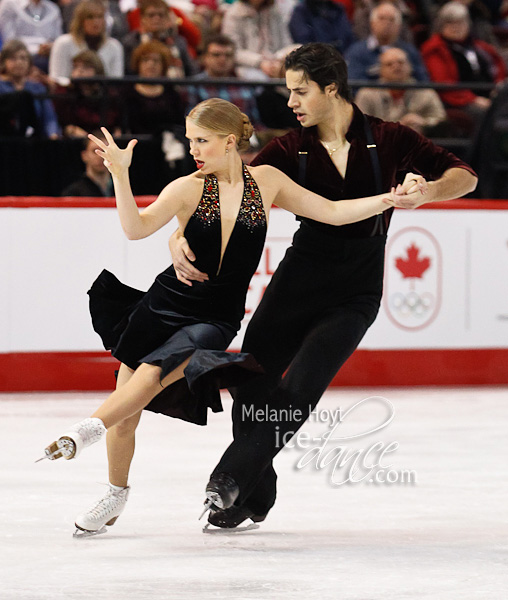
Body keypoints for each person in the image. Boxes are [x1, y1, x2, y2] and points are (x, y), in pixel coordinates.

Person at [39, 97, 399, 536]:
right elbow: (136, 229)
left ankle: (85, 431)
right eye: (191, 139)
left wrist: (388, 198)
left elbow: (334, 212)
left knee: (154, 374)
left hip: (215, 317)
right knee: (128, 411)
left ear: (229, 141)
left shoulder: (267, 182)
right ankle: (115, 494)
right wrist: (119, 174)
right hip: (163, 305)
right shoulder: (187, 187)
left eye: (201, 140)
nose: (193, 148)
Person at [167, 43, 478, 529]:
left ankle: (231, 478)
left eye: (300, 90)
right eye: (288, 91)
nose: (290, 101)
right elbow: (225, 194)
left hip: (356, 290)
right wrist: (177, 232)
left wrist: (428, 193)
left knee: (302, 384)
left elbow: (465, 176)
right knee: (250, 382)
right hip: (300, 277)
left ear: (331, 88)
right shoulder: (290, 149)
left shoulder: (389, 137)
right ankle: (257, 491)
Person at [421, 1, 506, 128]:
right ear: (441, 25)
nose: (456, 27)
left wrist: (498, 87)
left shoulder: (480, 47)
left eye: (461, 22)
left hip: (489, 97)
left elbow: (499, 68)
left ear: (468, 24)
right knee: (487, 114)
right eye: (451, 23)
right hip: (457, 101)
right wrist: (474, 99)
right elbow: (444, 84)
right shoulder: (434, 49)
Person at [355, 47, 447, 136]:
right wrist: (396, 127)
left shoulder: (426, 93)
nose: (396, 67)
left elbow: (441, 120)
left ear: (410, 66)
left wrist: (423, 123)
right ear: (380, 70)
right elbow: (359, 125)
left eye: (401, 62)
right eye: (389, 64)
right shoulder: (367, 94)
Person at [183, 34, 261, 128]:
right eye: (216, 55)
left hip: (242, 138)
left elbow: (254, 122)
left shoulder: (244, 84)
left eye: (228, 55)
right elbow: (191, 123)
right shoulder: (194, 84)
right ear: (204, 57)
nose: (222, 59)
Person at [345, 2, 428, 81]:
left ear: (399, 26)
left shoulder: (409, 51)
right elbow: (353, 84)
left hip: (406, 94)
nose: (386, 23)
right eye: (382, 18)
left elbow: (423, 81)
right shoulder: (357, 52)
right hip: (372, 94)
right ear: (372, 23)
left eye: (392, 20)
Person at [49, 0, 124, 84]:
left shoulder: (114, 46)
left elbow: (116, 81)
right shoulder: (63, 43)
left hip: (103, 95)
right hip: (71, 94)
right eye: (90, 17)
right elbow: (56, 78)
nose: (96, 22)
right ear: (80, 20)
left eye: (99, 16)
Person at [53, 49, 122, 138]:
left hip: (105, 139)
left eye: (86, 67)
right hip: (76, 141)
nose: (79, 71)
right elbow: (65, 125)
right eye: (76, 67)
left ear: (97, 70)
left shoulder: (110, 94)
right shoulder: (65, 93)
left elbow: (116, 124)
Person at [221, 0, 296, 80]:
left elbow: (286, 42)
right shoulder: (233, 14)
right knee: (258, 78)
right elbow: (233, 50)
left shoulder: (274, 10)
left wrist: (278, 58)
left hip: (276, 60)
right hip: (248, 65)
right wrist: (260, 62)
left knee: (298, 51)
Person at [0, 39, 60, 138]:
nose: (19, 62)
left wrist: (53, 135)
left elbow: (49, 117)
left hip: (34, 141)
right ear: (3, 62)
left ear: (29, 62)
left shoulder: (38, 88)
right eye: (13, 59)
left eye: (23, 58)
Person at [124, 40, 185, 135]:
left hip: (167, 145)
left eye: (156, 61)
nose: (150, 64)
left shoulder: (171, 93)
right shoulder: (127, 92)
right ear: (138, 63)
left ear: (163, 65)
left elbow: (179, 123)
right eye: (145, 60)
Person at [121, 0, 195, 77]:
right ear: (142, 18)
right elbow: (128, 73)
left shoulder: (178, 42)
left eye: (161, 15)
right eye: (151, 15)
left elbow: (192, 72)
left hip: (174, 87)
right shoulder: (131, 42)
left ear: (167, 18)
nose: (156, 18)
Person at [0, 0, 63, 72]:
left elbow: (58, 40)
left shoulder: (53, 9)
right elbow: (9, 41)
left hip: (48, 55)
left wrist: (50, 47)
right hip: (20, 54)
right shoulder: (10, 4)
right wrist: (36, 50)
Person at [288, 0, 356, 55]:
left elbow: (349, 39)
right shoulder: (300, 13)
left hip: (344, 60)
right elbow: (305, 45)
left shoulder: (338, 9)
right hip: (317, 64)